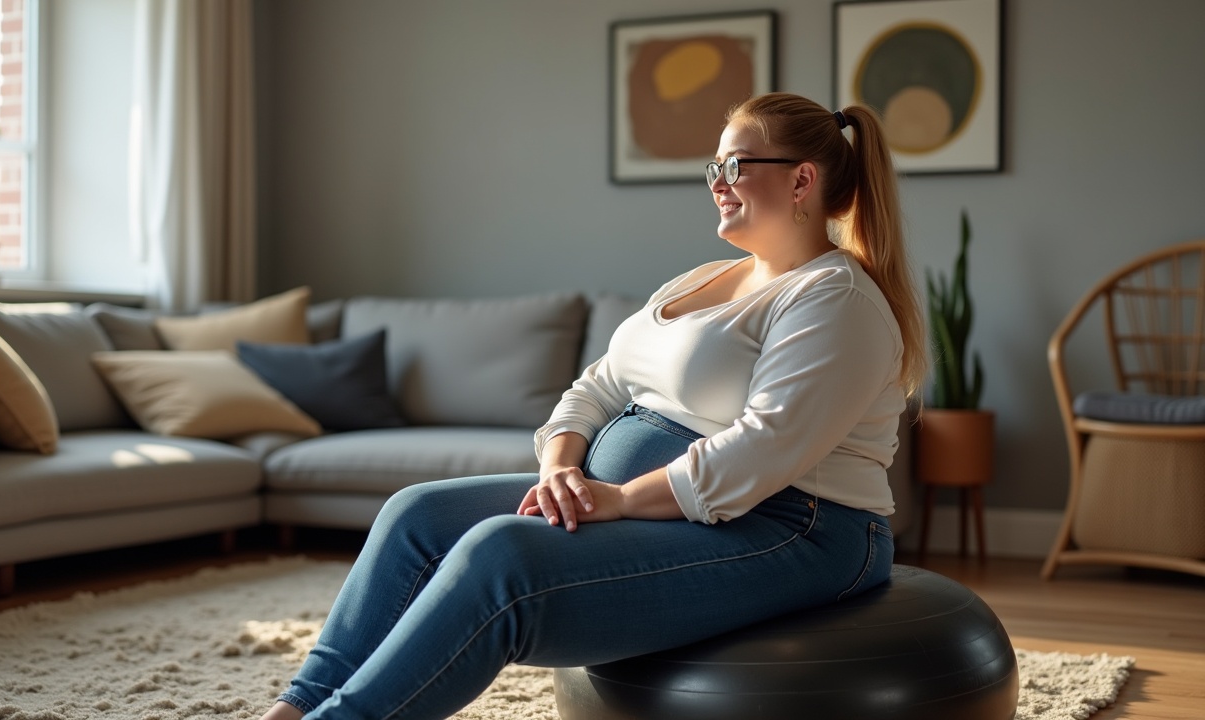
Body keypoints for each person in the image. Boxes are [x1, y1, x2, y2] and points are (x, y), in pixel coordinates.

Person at [260, 91, 927, 720]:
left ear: (802, 181)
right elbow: (597, 386)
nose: (716, 181)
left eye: (734, 165)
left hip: (793, 526)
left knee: (503, 555)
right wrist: (560, 469)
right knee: (417, 516)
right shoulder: (704, 279)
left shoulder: (835, 299)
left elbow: (765, 449)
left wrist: (623, 500)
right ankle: (296, 706)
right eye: (713, 166)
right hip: (659, 502)